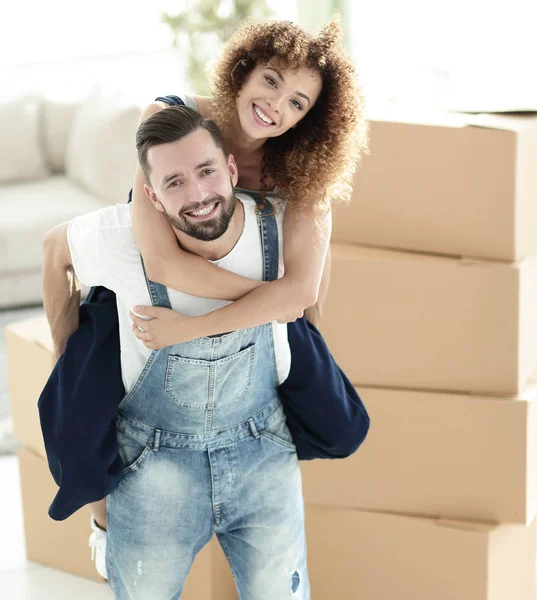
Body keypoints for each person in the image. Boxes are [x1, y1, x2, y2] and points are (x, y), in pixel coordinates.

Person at [40, 15, 369, 586]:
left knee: (332, 405)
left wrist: (280, 311)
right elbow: (164, 262)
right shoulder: (171, 118)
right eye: (271, 81)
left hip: (237, 366)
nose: (276, 106)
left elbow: (305, 296)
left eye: (296, 102)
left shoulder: (299, 177)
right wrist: (274, 296)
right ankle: (101, 525)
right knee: (75, 420)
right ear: (244, 69)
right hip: (149, 288)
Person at [43, 105, 311, 599]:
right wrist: (67, 362)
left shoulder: (279, 226)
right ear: (151, 195)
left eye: (207, 171)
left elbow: (307, 305)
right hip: (154, 466)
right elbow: (54, 250)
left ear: (231, 168)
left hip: (264, 453)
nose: (198, 195)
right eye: (174, 183)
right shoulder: (122, 239)